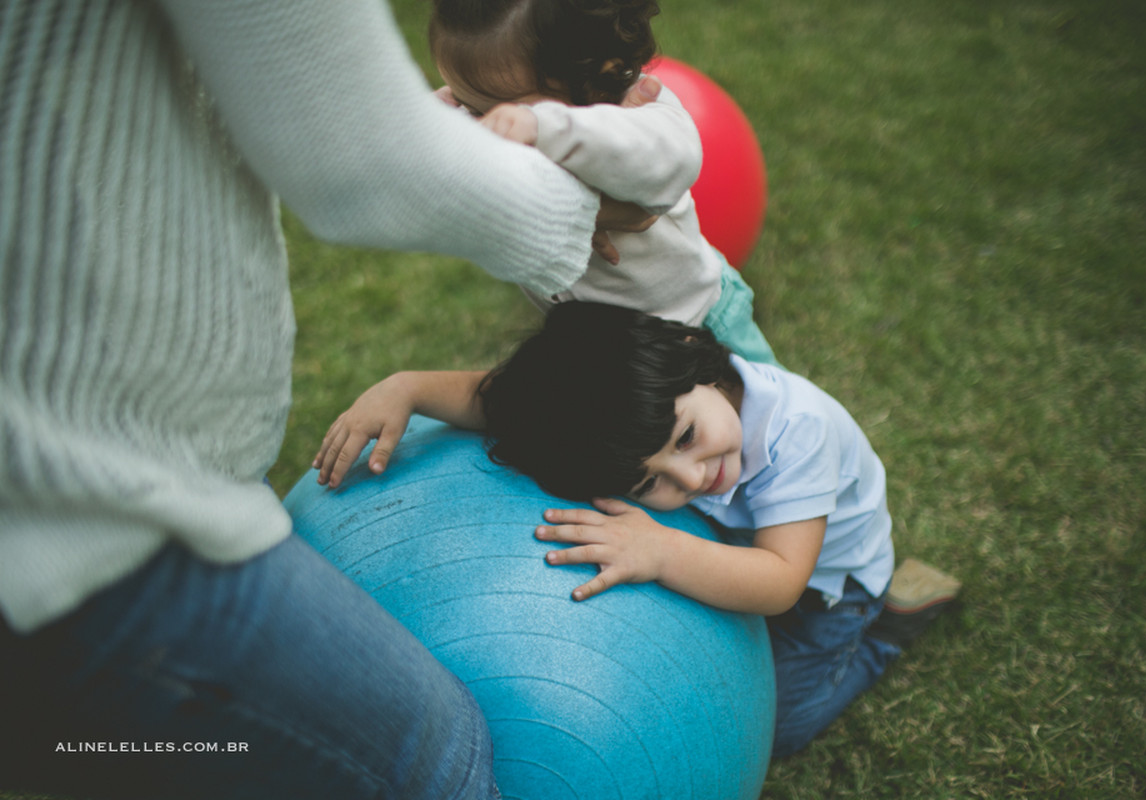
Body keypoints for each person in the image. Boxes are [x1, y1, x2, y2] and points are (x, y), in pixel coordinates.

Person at [0, 1, 658, 797]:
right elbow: (358, 158)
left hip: (96, 484)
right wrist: (593, 199)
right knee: (432, 762)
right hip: (80, 522)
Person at [313, 301, 961, 756]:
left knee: (780, 728)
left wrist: (661, 550)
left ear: (695, 359)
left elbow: (780, 581)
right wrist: (408, 389)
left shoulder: (798, 431)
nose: (690, 475)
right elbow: (521, 409)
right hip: (738, 550)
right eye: (650, 483)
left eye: (686, 437)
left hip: (829, 590)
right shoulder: (644, 406)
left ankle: (890, 627)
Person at [427, 0, 779, 365]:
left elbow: (671, 157)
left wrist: (545, 126)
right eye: (466, 104)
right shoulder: (489, 112)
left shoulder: (641, 114)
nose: (485, 126)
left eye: (502, 113)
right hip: (607, 348)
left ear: (597, 78)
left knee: (766, 393)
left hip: (696, 318)